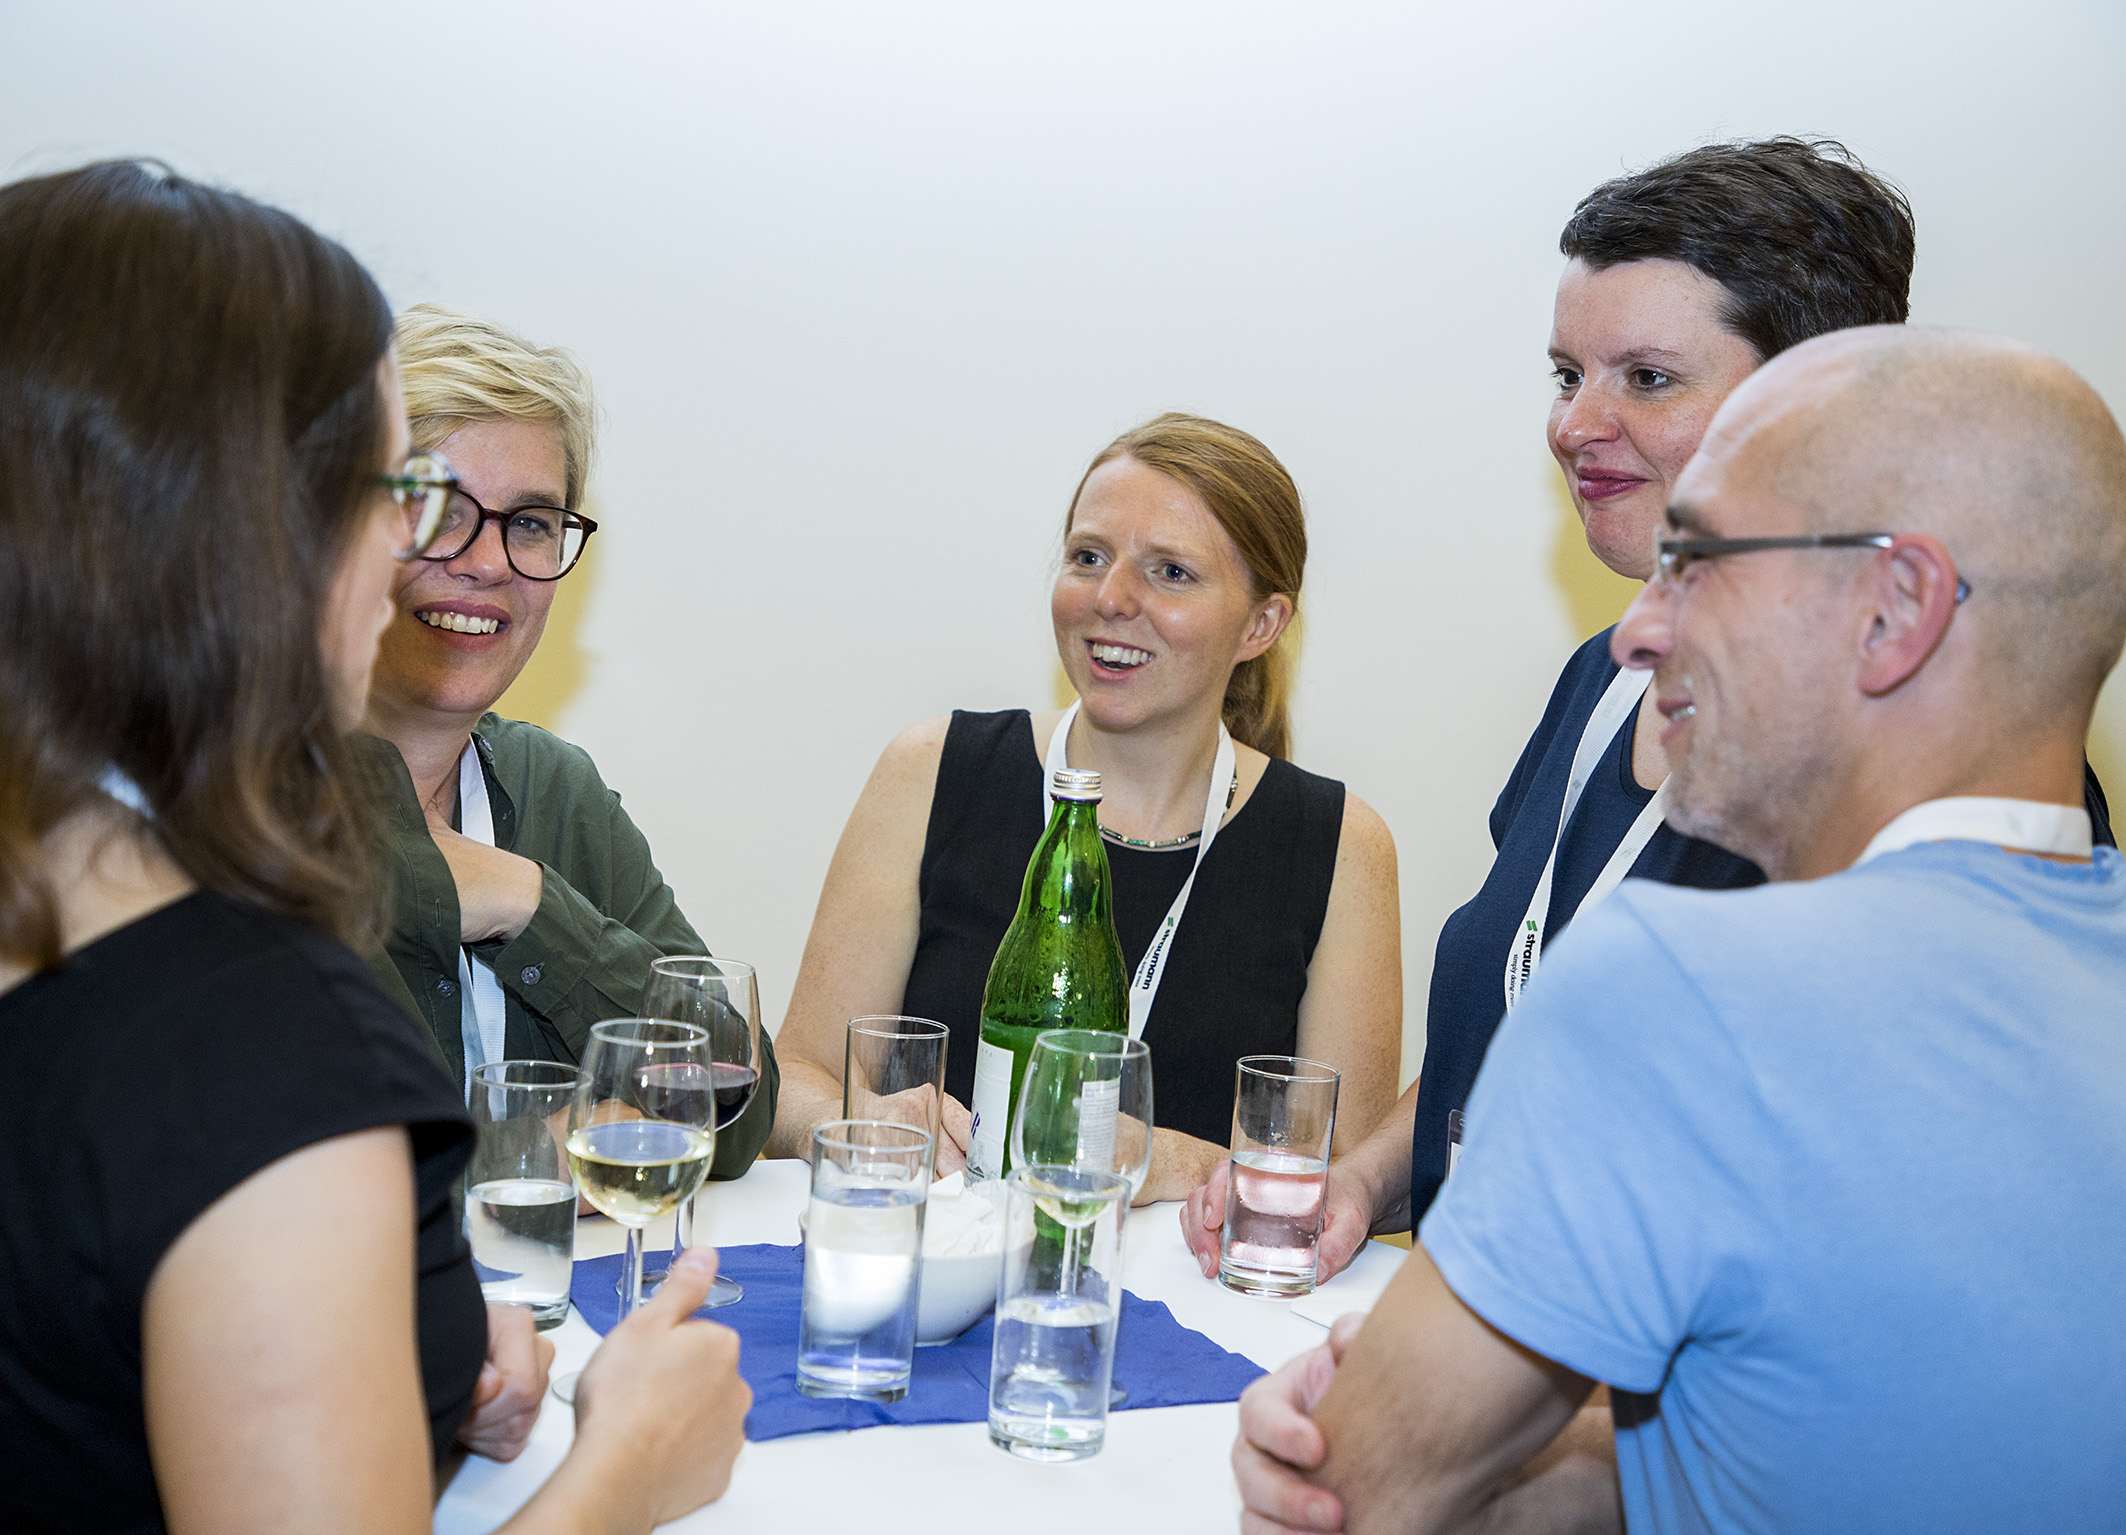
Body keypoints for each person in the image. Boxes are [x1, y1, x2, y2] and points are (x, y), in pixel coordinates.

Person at [1232, 324, 2126, 1533]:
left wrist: (1397, 1440)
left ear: (1892, 609)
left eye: (1694, 560)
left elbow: (1340, 1497)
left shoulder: (1681, 989)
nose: (1635, 631)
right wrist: (1578, 1456)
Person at [1188, 135, 2110, 1280]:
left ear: (1812, 400)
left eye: (1646, 378)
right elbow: (1514, 1007)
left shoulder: (1924, 755)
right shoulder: (1603, 677)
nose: (1574, 424)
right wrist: (1366, 1178)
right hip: (1468, 1317)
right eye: (1565, 375)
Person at [0, 160, 747, 1532]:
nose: (449, 551)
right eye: (400, 492)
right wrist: (632, 1461)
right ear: (248, 538)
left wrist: (409, 1335)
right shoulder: (264, 1042)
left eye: (528, 522)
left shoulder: (74, 908)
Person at [769, 412, 1402, 1199]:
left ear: (1262, 623)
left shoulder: (1340, 847)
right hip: (936, 1257)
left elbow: (1344, 1191)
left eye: (1171, 571)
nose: (1111, 597)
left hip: (1192, 1283)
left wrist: (1164, 1161)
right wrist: (854, 1118)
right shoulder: (929, 771)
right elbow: (795, 1076)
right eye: (1089, 556)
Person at [361, 304, 775, 1176]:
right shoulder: (239, 806)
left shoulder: (553, 786)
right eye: (437, 509)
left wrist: (527, 901)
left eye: (531, 522)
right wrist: (525, 1157)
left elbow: (737, 1115)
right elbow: (251, 1172)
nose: (487, 561)